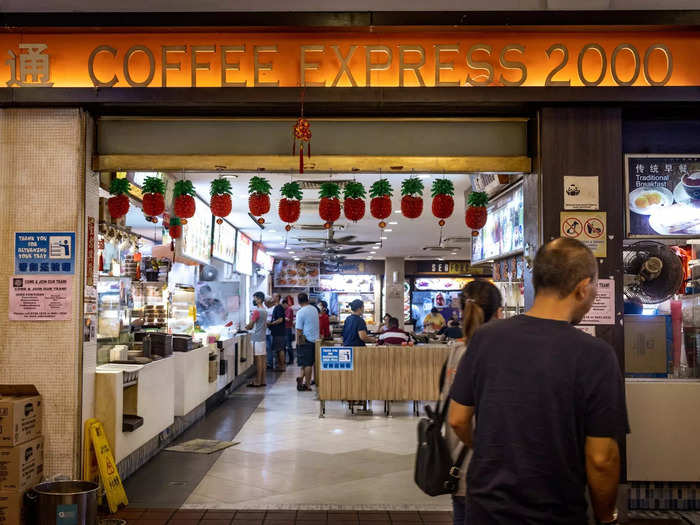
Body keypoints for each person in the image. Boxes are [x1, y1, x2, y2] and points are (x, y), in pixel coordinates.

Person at [448, 238, 627, 525]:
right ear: (583, 287)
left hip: (486, 508)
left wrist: (494, 455)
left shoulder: (485, 338)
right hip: (556, 512)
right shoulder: (596, 355)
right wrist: (607, 517)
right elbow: (601, 458)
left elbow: (458, 419)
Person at [439, 281, 503, 525]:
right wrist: (483, 448)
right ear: (499, 313)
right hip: (486, 470)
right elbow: (459, 420)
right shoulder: (491, 354)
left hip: (457, 465)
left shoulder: (456, 350)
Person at [295, 293, 319, 391]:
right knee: (308, 362)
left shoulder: (301, 312)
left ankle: (307, 385)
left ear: (299, 301)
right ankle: (302, 379)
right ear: (307, 299)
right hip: (315, 340)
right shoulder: (314, 309)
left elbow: (299, 330)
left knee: (306, 364)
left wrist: (297, 342)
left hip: (305, 340)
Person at [245, 291, 268, 388]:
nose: (253, 300)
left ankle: (258, 381)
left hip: (256, 338)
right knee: (262, 360)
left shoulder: (256, 311)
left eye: (254, 298)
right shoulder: (265, 310)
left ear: (259, 299)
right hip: (262, 337)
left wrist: (245, 327)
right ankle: (262, 380)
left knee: (258, 361)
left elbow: (250, 325)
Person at [268, 293, 287, 372]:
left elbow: (280, 319)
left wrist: (271, 323)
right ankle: (280, 365)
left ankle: (282, 366)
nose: (272, 297)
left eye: (273, 296)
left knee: (280, 349)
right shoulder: (276, 307)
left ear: (277, 298)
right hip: (276, 332)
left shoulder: (279, 307)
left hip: (279, 332)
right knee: (278, 349)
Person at [264, 298, 275, 369]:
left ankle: (271, 363)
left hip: (271, 332)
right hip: (267, 332)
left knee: (270, 348)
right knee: (269, 348)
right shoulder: (267, 310)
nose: (264, 304)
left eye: (265, 302)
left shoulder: (272, 309)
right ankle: (270, 363)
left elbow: (269, 322)